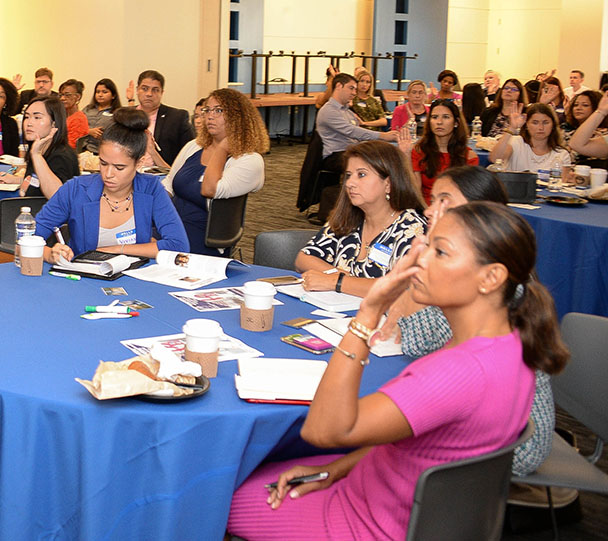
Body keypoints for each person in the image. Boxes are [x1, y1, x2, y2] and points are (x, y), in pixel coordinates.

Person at [227, 202, 568, 541]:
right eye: (426, 246)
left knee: (209, 492)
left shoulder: (457, 370)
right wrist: (334, 468)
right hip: (405, 503)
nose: (419, 260)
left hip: (366, 521)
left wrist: (368, 313)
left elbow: (322, 430)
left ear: (491, 277)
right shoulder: (513, 345)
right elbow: (419, 445)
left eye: (440, 252)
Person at [371, 165, 555, 477]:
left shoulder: (486, 287)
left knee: (369, 430)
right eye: (433, 200)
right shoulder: (475, 268)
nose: (430, 210)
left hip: (515, 443)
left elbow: (400, 330)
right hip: (479, 414)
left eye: (446, 202)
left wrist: (426, 252)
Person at [39, 108, 189, 261]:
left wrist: (117, 250)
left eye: (119, 167)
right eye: (103, 163)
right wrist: (50, 255)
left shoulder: (151, 189)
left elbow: (179, 245)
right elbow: (26, 240)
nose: (108, 174)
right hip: (84, 279)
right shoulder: (76, 189)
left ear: (139, 163)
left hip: (135, 277)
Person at [296, 141, 426, 297]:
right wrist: (339, 276)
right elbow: (304, 258)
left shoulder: (412, 228)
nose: (350, 183)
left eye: (361, 175)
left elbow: (401, 287)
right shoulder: (349, 216)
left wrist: (336, 282)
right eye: (349, 175)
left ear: (388, 184)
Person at [0, 96, 80, 267]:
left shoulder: (60, 155)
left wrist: (36, 156)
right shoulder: (40, 148)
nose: (29, 123)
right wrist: (18, 179)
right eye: (27, 117)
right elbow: (37, 181)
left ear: (55, 124)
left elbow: (58, 196)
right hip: (30, 230)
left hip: (51, 238)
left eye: (37, 117)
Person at [163, 89, 267, 255]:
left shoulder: (250, 160)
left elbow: (209, 189)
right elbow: (168, 185)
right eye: (207, 110)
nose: (210, 116)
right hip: (170, 225)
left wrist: (222, 148)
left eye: (219, 110)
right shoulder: (194, 146)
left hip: (203, 238)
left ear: (237, 117)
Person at [316, 74, 397, 171]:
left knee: (387, 155)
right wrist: (383, 136)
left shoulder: (347, 112)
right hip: (336, 155)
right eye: (351, 88)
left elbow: (356, 133)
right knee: (377, 164)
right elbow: (352, 131)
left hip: (350, 151)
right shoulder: (329, 110)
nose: (354, 93)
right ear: (338, 86)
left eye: (355, 89)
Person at [404, 99, 477, 204]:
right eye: (434, 117)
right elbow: (415, 191)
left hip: (455, 212)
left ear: (456, 123)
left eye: (446, 117)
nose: (439, 122)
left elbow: (469, 196)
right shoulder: (419, 151)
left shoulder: (469, 156)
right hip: (424, 209)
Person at [130, 69, 194, 169]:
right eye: (145, 89)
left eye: (155, 90)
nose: (149, 94)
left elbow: (190, 154)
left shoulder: (177, 117)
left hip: (162, 176)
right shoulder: (126, 116)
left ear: (162, 92)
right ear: (137, 90)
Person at [488, 103, 572, 174]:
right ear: (527, 124)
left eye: (545, 123)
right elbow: (494, 159)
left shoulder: (562, 154)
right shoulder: (516, 142)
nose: (540, 127)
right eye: (535, 123)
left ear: (553, 125)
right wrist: (512, 128)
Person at [81, 78, 122, 154]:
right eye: (98, 92)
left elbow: (120, 134)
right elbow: (77, 126)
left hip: (103, 151)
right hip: (83, 150)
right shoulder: (88, 109)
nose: (100, 95)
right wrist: (89, 131)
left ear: (113, 95)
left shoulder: (118, 113)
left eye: (104, 92)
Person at [568, 92, 608, 162]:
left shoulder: (602, 133)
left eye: (585, 105)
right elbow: (575, 145)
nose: (578, 108)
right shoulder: (566, 129)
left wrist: (600, 112)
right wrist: (600, 112)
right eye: (576, 105)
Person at [58, 79, 90, 149]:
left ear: (77, 97)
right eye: (61, 95)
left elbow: (70, 147)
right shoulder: (63, 115)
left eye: (67, 95)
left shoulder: (78, 119)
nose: (62, 98)